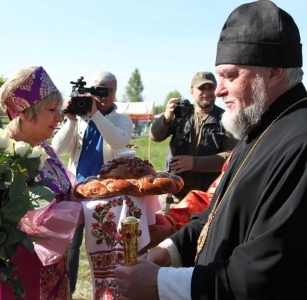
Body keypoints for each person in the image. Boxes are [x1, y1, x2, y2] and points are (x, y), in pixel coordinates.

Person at [115, 1, 307, 299]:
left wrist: (162, 284)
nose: (218, 90)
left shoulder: (300, 142)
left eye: (230, 75)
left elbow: (270, 269)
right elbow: (219, 212)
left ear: (274, 71)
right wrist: (172, 250)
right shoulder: (258, 127)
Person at [0, 65, 83, 300]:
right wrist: (86, 211)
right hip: (22, 269)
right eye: (51, 109)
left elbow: (64, 186)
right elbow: (37, 223)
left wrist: (88, 189)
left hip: (54, 265)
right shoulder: (4, 156)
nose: (59, 117)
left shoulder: (44, 149)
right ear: (24, 111)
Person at [52, 71, 132, 295]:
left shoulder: (122, 119)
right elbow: (58, 149)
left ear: (116, 92)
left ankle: (108, 293)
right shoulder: (80, 118)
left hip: (106, 194)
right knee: (71, 246)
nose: (103, 95)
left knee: (106, 248)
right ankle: (68, 291)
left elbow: (118, 140)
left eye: (109, 90)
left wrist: (95, 114)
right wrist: (70, 120)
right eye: (98, 89)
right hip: (77, 190)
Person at [150, 71, 237, 200]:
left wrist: (194, 163)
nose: (206, 93)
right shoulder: (180, 113)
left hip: (207, 196)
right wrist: (166, 117)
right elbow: (155, 137)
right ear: (191, 91)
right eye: (201, 88)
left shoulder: (226, 118)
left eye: (210, 88)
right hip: (174, 193)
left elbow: (231, 156)